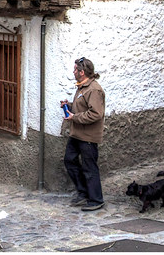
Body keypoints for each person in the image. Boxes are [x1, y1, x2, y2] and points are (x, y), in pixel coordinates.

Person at [61, 56, 106, 212]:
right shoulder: (82, 87)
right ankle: (83, 192)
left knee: (89, 167)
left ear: (82, 72)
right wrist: (69, 106)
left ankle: (96, 199)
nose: (73, 72)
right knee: (69, 160)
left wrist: (75, 117)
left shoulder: (94, 90)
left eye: (75, 69)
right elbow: (82, 107)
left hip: (88, 136)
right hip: (77, 133)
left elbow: (96, 113)